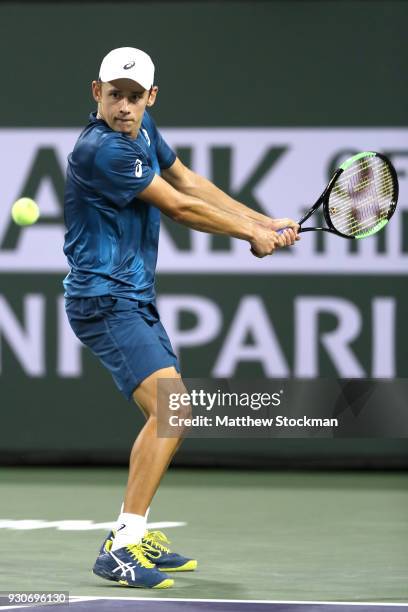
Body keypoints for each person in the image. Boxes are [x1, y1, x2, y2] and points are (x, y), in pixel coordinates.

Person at [63, 46, 299, 590]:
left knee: (175, 413)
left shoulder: (144, 132)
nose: (124, 106)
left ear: (151, 96)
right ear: (96, 93)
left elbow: (188, 181)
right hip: (104, 299)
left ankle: (131, 533)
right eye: (115, 94)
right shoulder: (102, 151)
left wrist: (262, 219)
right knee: (174, 409)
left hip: (132, 297)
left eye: (135, 96)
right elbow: (179, 207)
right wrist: (252, 235)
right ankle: (121, 547)